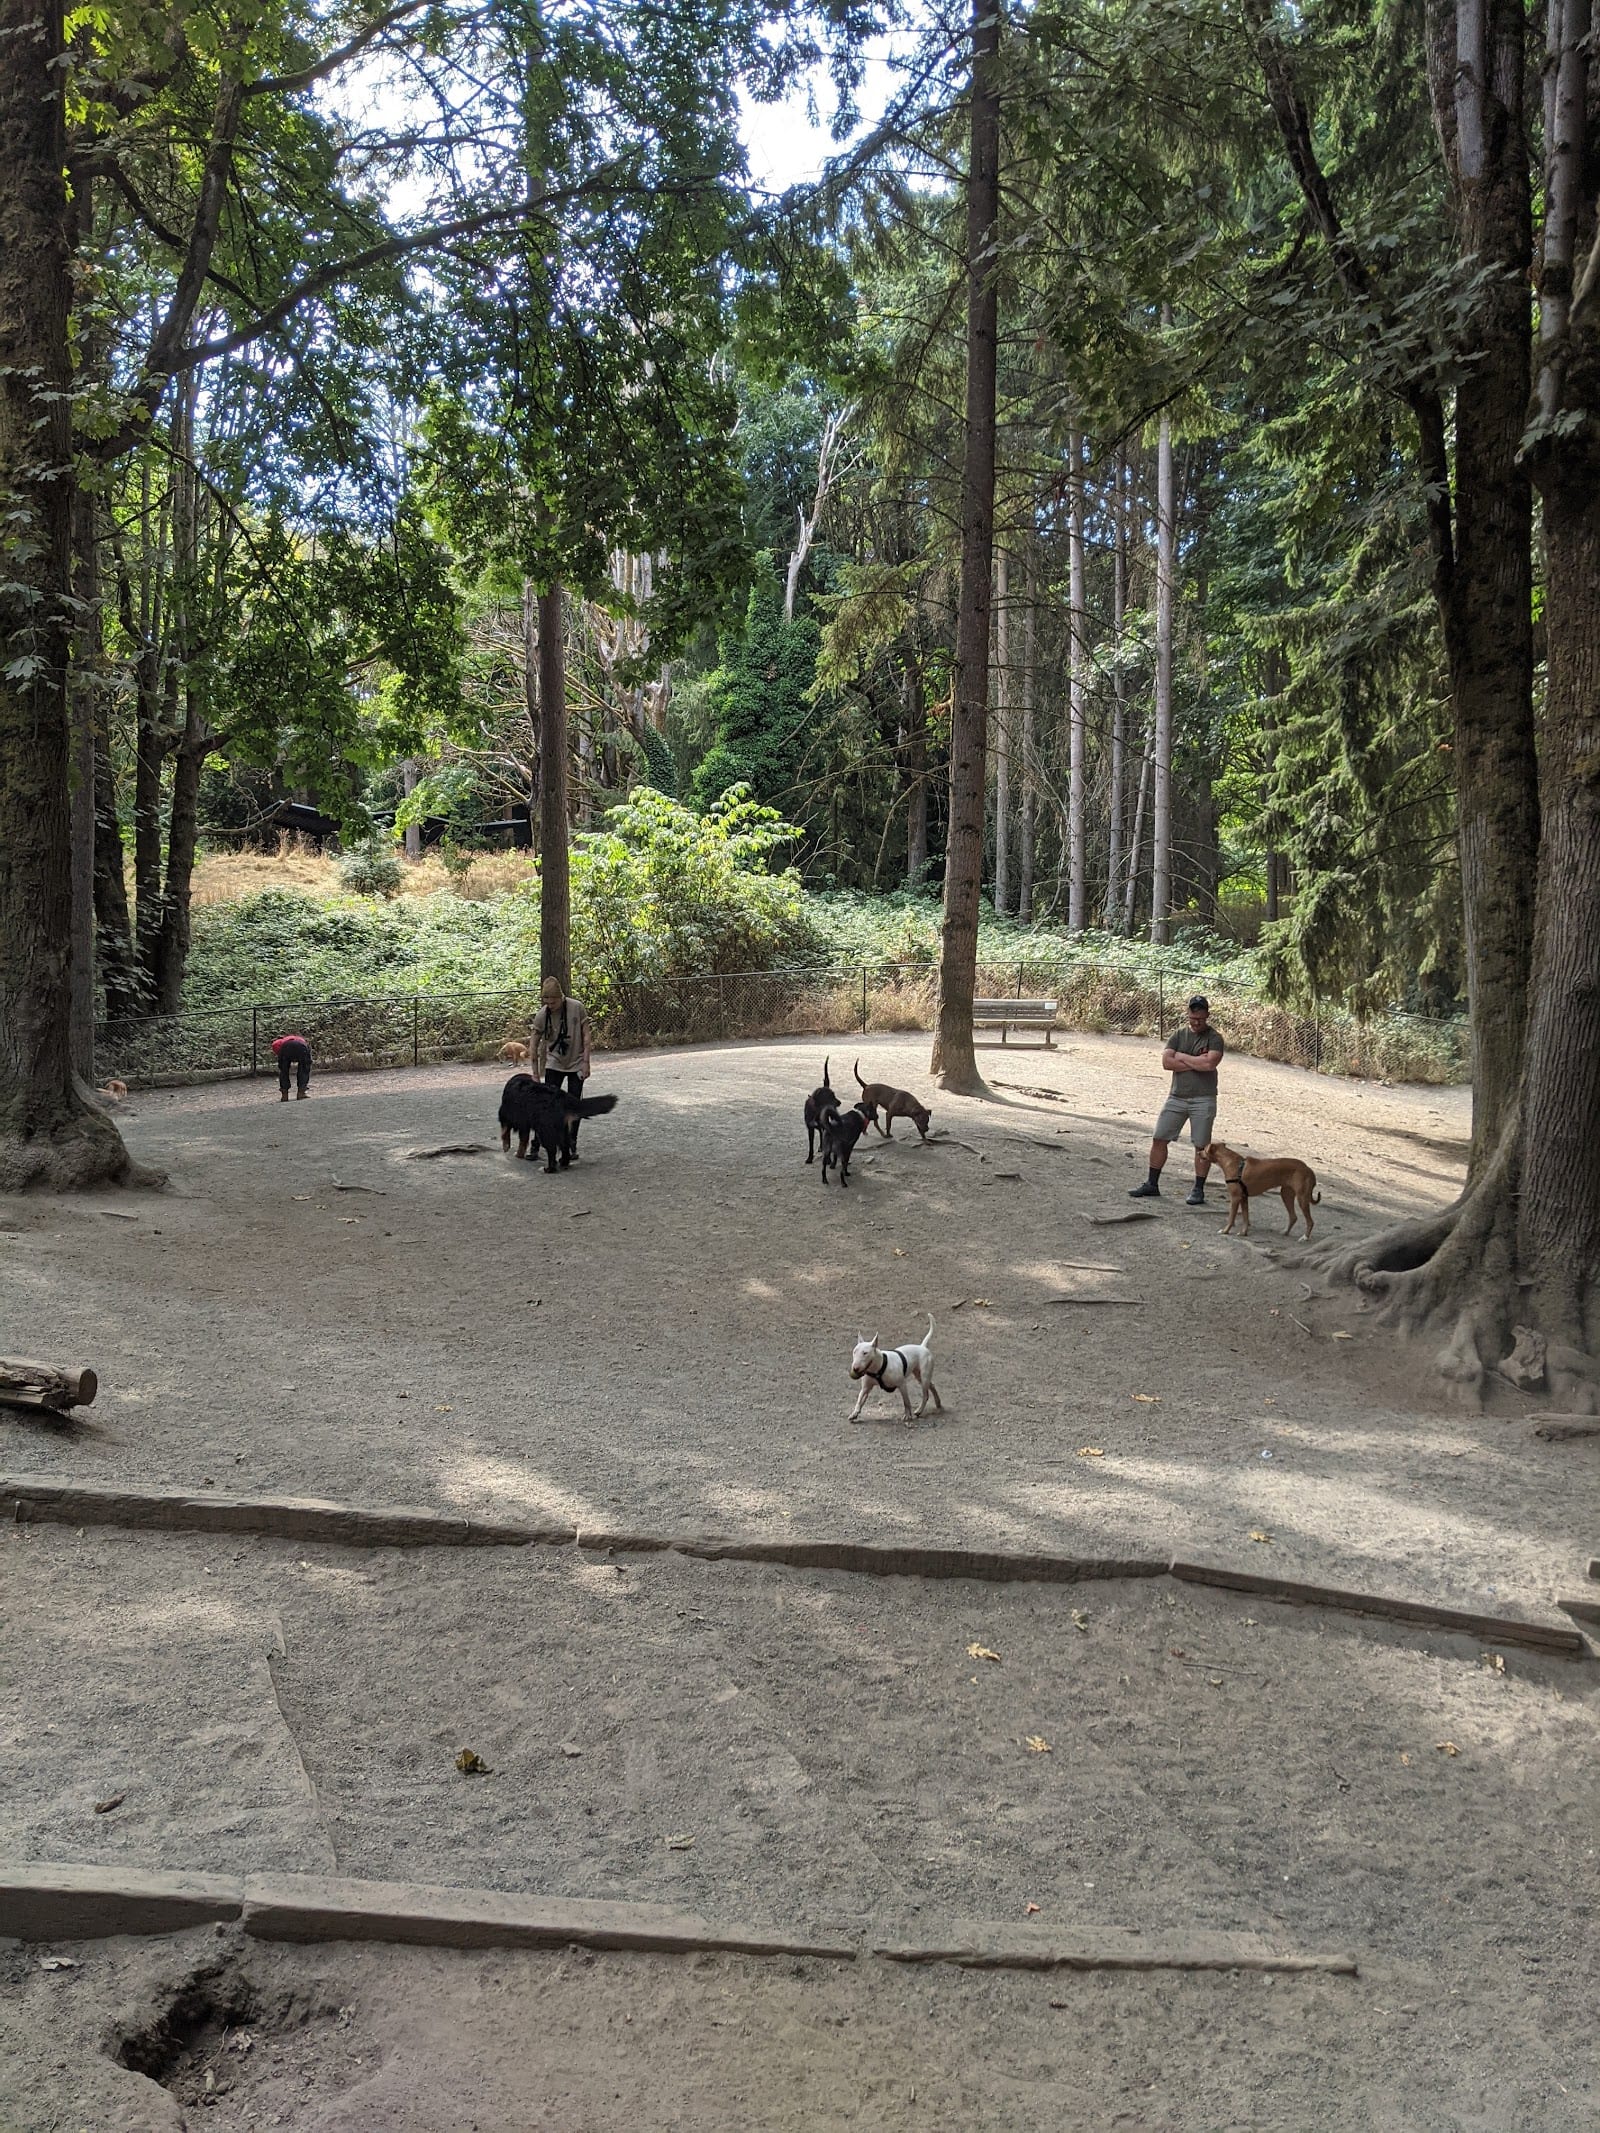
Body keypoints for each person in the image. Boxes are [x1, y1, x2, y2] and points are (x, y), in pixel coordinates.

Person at [1128, 995, 1223, 1204]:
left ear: (1206, 1014)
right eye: (1192, 1016)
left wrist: (1182, 1057)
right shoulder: (1178, 1035)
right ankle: (1152, 1184)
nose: (1196, 1021)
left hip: (1203, 1099)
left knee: (1201, 1145)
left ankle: (1198, 1189)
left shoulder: (1214, 1038)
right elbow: (1166, 1063)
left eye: (1200, 1017)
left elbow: (1209, 1065)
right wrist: (1196, 1061)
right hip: (1177, 1096)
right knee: (1159, 1137)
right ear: (1188, 1013)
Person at [531, 976, 592, 1154]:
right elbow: (533, 1044)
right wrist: (535, 1074)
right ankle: (536, 1145)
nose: (550, 1004)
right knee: (547, 1105)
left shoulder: (576, 1007)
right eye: (547, 1001)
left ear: (561, 997)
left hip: (576, 1062)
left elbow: (586, 1035)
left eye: (553, 1001)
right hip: (554, 1063)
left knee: (574, 1106)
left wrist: (586, 1062)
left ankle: (571, 1144)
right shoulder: (543, 1014)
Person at [270, 1032, 312, 1101]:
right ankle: (301, 1092)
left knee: (284, 1070)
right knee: (304, 1067)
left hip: (285, 1048)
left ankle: (284, 1094)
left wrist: (281, 1057)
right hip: (301, 1047)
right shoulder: (299, 1039)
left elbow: (276, 1046)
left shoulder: (280, 1042)